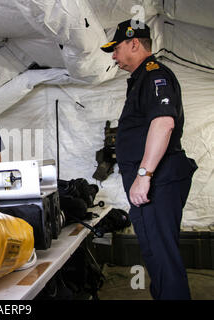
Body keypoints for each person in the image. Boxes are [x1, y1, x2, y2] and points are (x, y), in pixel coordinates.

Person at [101, 19, 197, 300]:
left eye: (116, 49)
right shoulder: (141, 79)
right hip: (152, 181)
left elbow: (164, 124)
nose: (114, 57)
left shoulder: (155, 75)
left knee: (163, 257)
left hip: (158, 181)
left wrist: (144, 175)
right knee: (156, 254)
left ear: (134, 43)